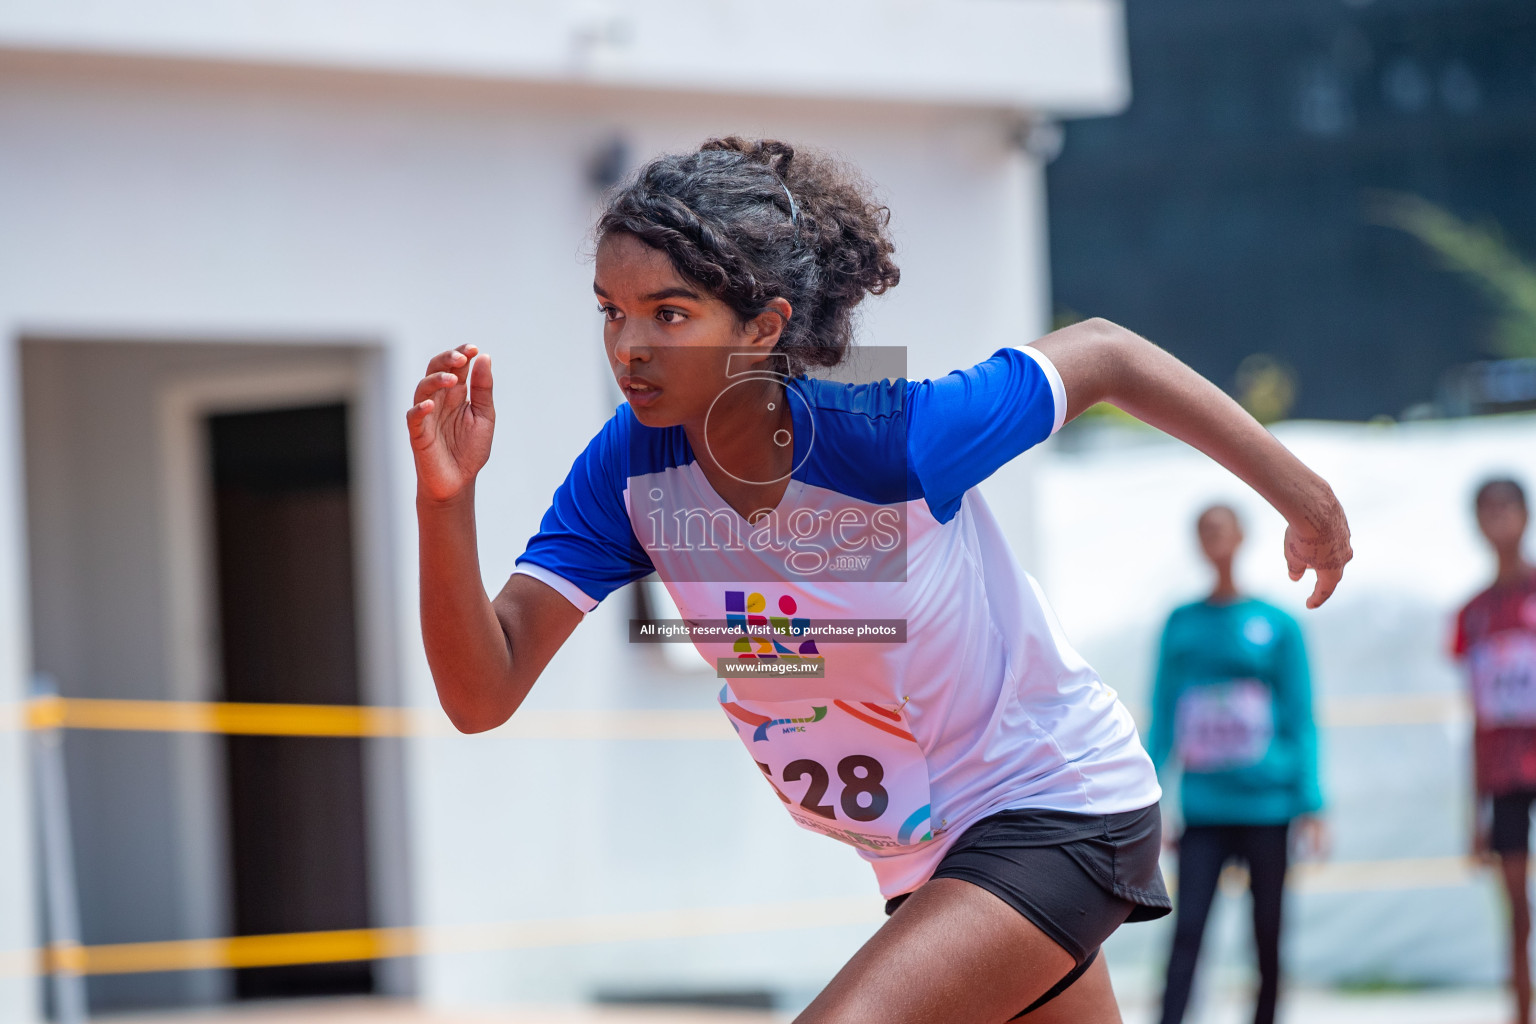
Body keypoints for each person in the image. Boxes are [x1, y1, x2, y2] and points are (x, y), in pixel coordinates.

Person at [406, 137, 1353, 1023]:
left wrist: (1303, 498)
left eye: (670, 313)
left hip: (1051, 804)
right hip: (921, 851)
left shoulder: (890, 439)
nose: (629, 348)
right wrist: (445, 505)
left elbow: (1103, 352)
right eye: (612, 312)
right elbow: (483, 691)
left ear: (763, 326)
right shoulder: (628, 470)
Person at [1147, 504, 1327, 1024]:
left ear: (1242, 537)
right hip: (1205, 808)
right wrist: (1148, 796)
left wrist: (1312, 801)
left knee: (1267, 934)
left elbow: (1300, 715)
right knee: (1188, 933)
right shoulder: (1181, 624)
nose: (1215, 541)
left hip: (1269, 806)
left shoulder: (1277, 625)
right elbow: (1163, 715)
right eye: (1204, 532)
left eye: (1222, 530)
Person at [1454, 478, 1536, 1024]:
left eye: (1508, 509)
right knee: (1515, 907)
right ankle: (1521, 1009)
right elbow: (1475, 717)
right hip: (1505, 774)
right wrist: (1474, 808)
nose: (1499, 521)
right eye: (1487, 512)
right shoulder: (1474, 613)